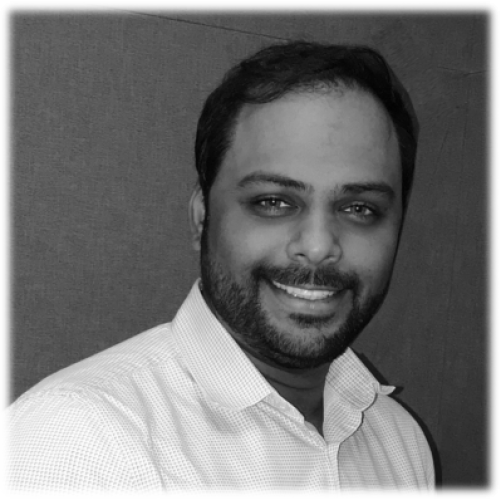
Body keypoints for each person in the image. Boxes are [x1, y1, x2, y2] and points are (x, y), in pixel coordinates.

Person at [1, 41, 436, 499]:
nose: (317, 246)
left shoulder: (399, 443)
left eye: (360, 208)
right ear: (201, 216)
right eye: (274, 202)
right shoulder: (77, 446)